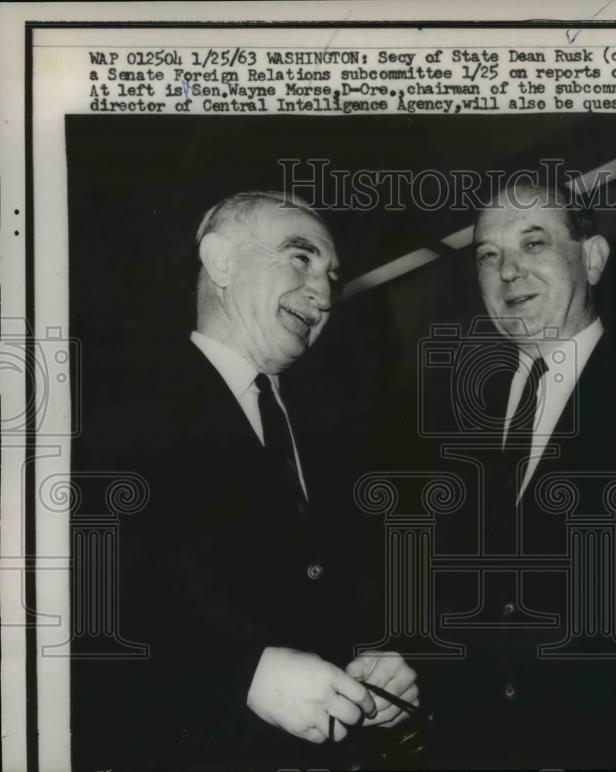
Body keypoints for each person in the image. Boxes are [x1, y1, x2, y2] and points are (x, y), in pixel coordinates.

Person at [74, 191, 419, 770]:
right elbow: (85, 610)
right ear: (221, 261)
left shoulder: (336, 432)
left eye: (332, 275)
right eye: (300, 257)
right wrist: (241, 676)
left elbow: (332, 586)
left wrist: (383, 661)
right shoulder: (113, 411)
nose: (324, 293)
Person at [425, 182, 616, 768]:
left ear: (591, 259)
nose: (509, 271)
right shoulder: (455, 420)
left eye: (533, 243)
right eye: (488, 256)